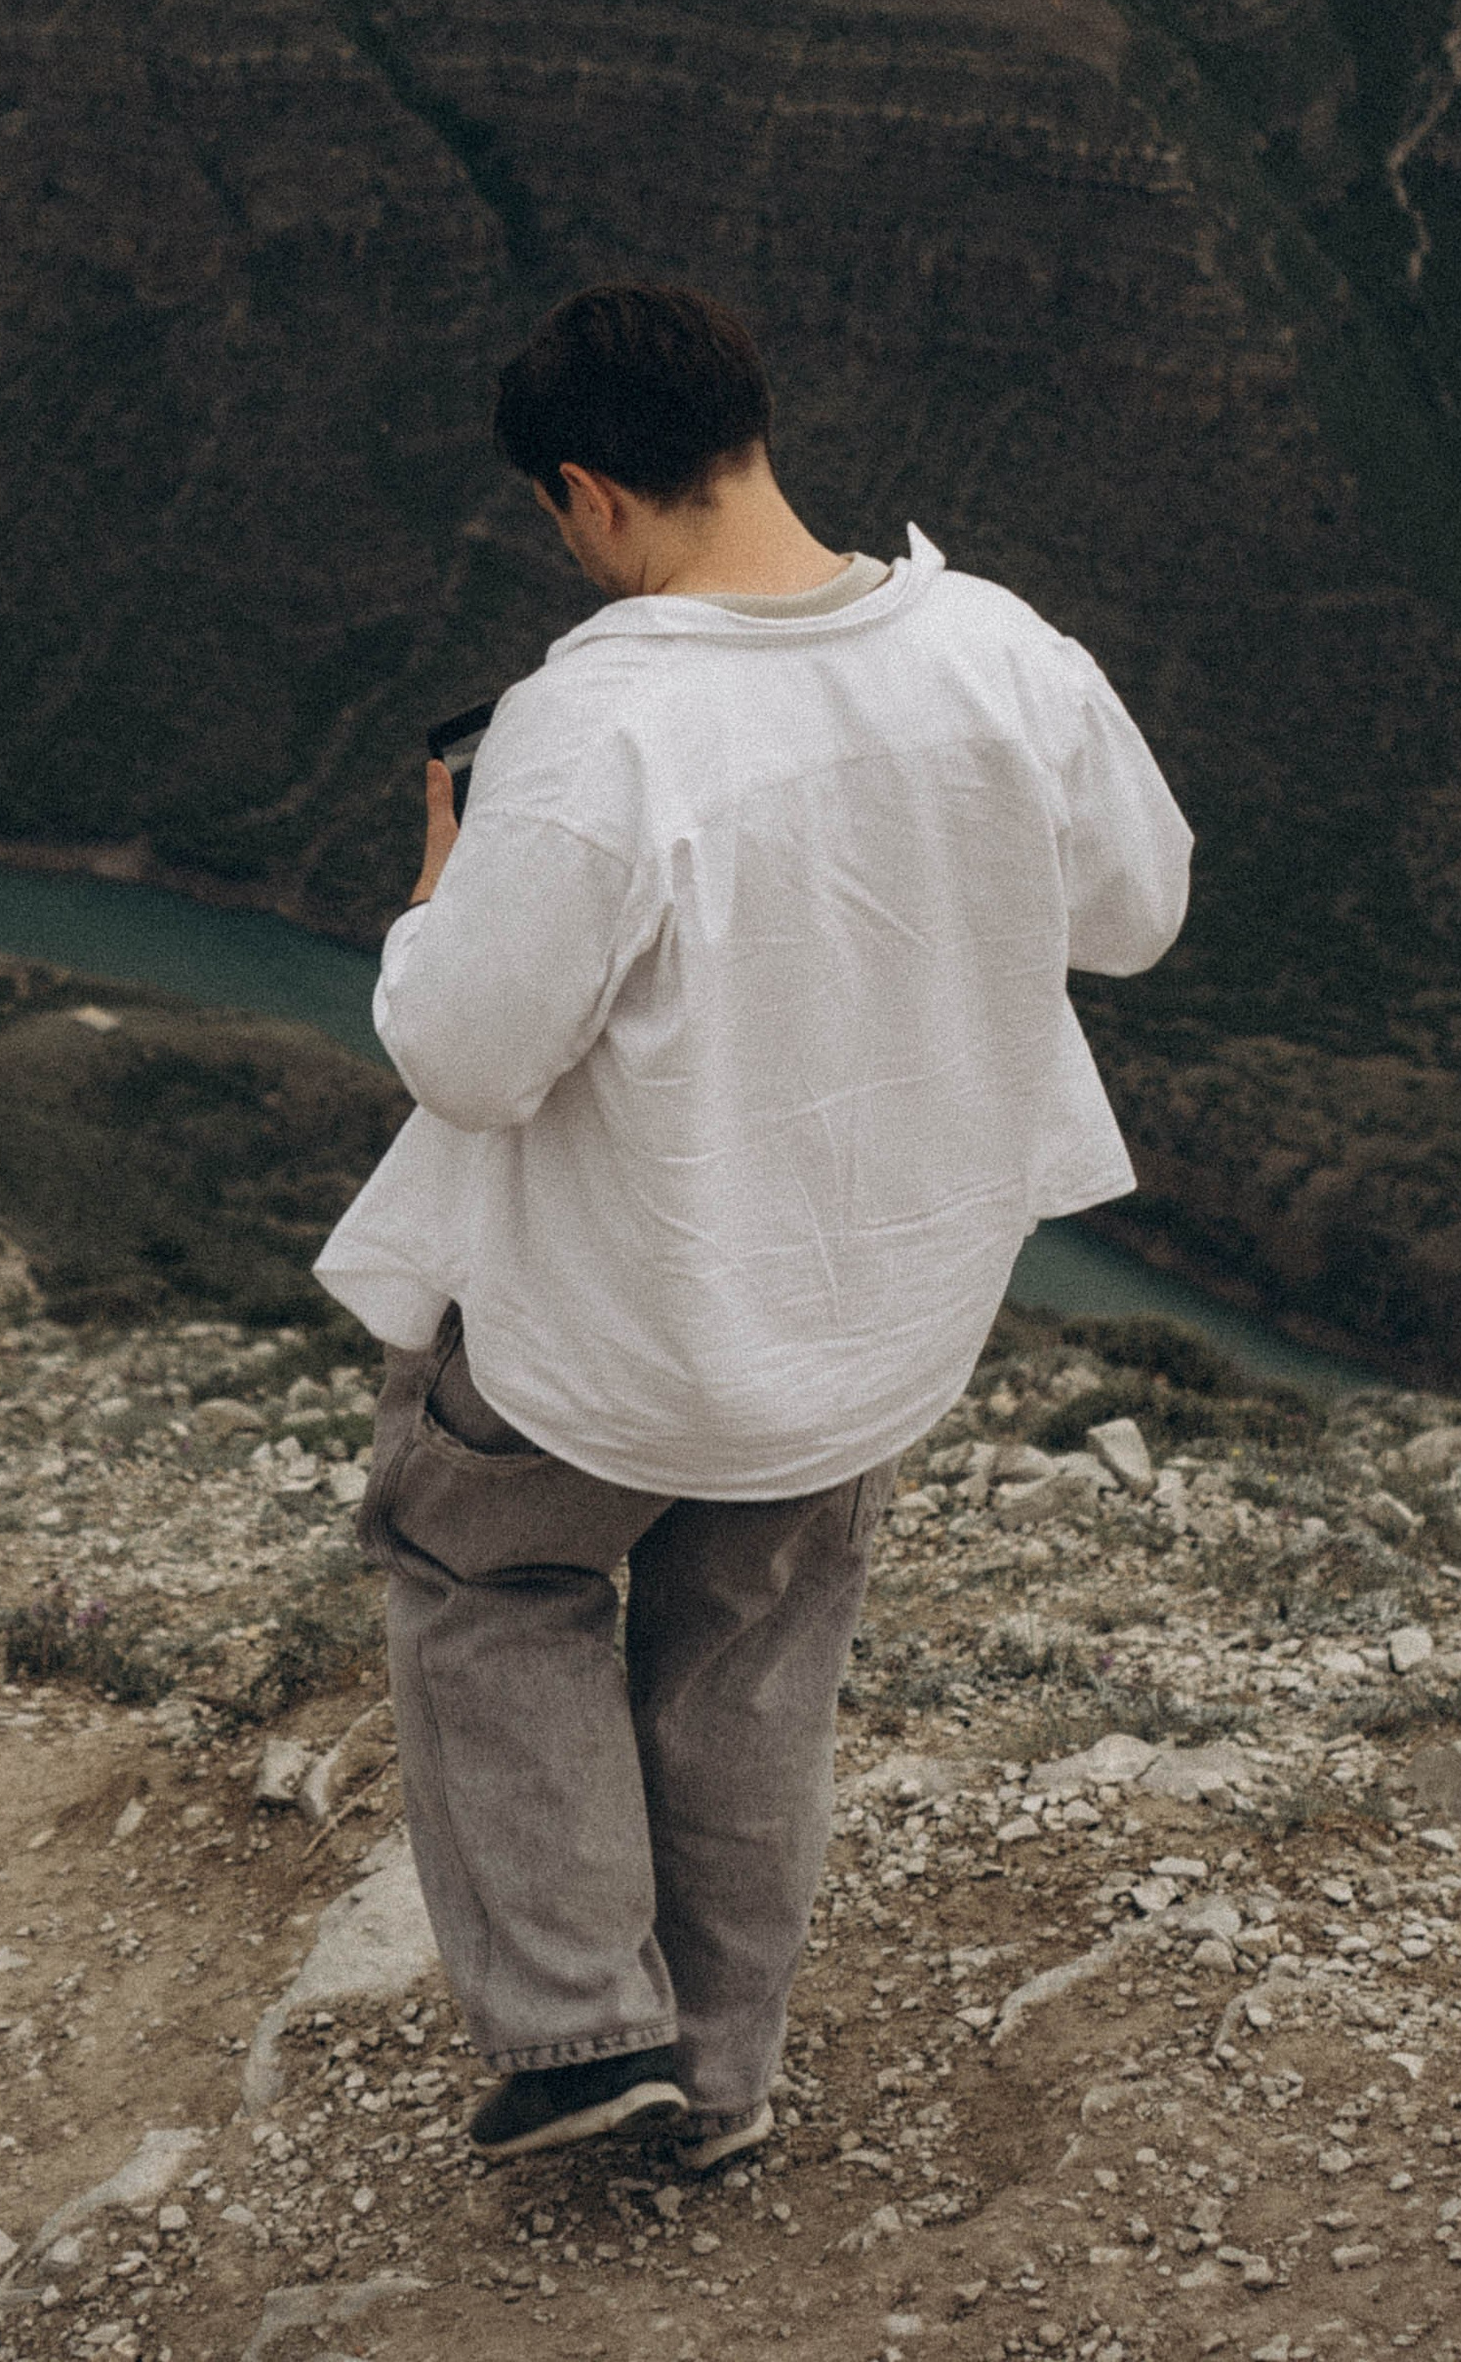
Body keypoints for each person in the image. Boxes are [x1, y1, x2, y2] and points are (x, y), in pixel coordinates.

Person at [316, 282, 1191, 2169]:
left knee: (490, 1581)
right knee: (749, 1661)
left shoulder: (595, 722)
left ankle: (575, 2032)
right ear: (748, 430)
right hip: (872, 1314)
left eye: (560, 521)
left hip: (617, 1324)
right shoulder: (1002, 650)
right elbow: (1137, 915)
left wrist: (438, 884)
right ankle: (714, 2085)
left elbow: (468, 1054)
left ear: (589, 494)